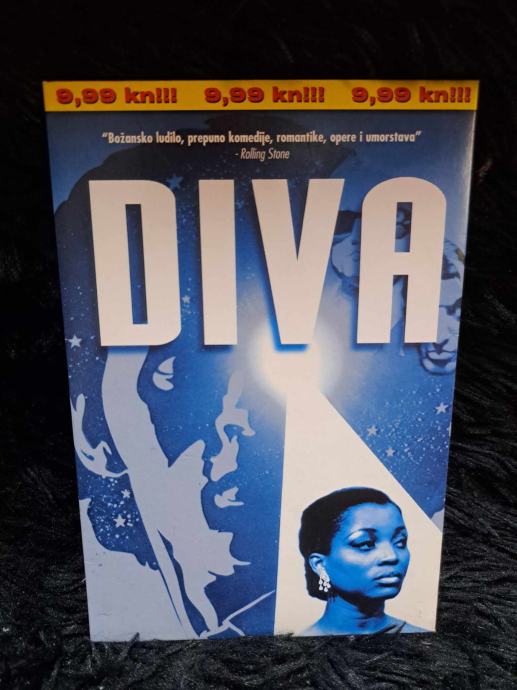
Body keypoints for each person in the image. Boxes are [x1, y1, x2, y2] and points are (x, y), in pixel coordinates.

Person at [298, 487, 426, 635]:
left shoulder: (423, 639)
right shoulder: (299, 645)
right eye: (365, 544)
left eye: (400, 542)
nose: (392, 556)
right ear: (319, 564)